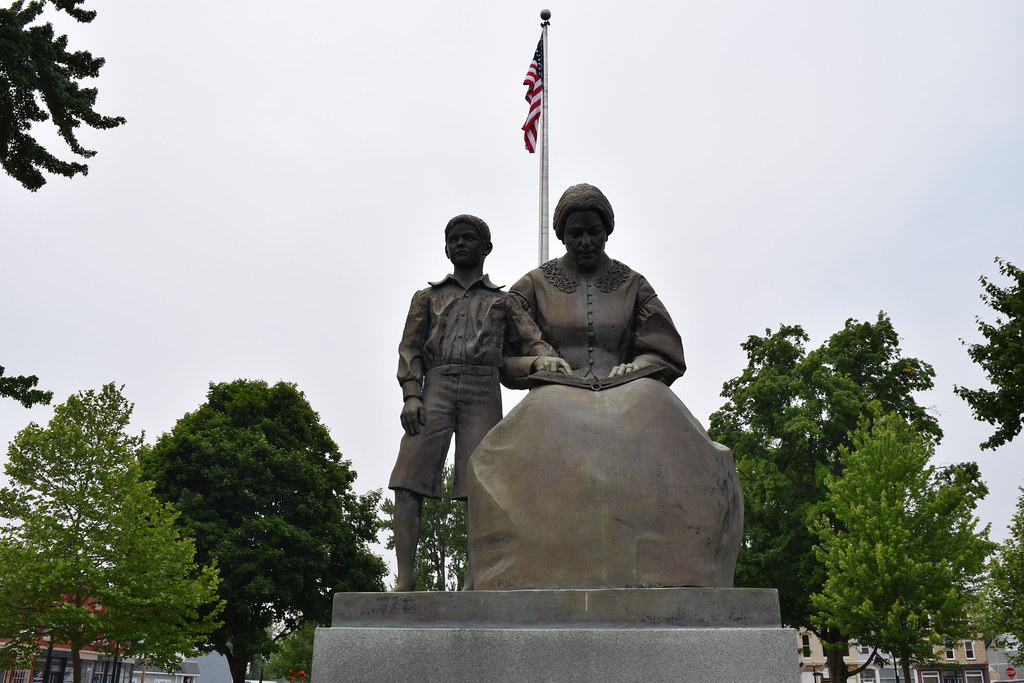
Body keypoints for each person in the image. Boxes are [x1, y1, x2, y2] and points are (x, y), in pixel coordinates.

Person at [466, 184, 743, 591]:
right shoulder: (533, 285)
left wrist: (639, 365)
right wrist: (538, 364)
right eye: (575, 233)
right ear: (561, 234)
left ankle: (683, 560)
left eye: (593, 231)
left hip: (629, 390)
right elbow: (500, 358)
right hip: (555, 390)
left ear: (607, 230)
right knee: (525, 429)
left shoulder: (632, 283)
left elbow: (664, 351)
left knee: (661, 408)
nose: (585, 241)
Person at [388, 214, 562, 592]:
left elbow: (532, 341)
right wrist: (411, 394)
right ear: (445, 249)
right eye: (454, 239)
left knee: (479, 484)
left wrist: (548, 359)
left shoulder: (503, 302)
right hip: (436, 387)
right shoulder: (427, 298)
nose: (460, 244)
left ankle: (476, 577)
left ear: (487, 248)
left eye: (468, 238)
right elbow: (409, 350)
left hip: (483, 390)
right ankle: (405, 576)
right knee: (407, 478)